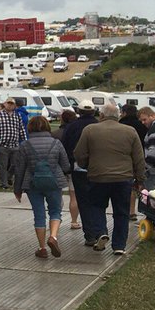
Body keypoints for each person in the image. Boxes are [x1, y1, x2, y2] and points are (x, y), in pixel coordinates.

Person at [73, 100, 145, 255]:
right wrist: (140, 179)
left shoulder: (90, 130)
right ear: (118, 116)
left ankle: (101, 232)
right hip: (123, 178)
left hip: (98, 177)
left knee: (96, 207)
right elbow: (139, 158)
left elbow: (79, 153)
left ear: (102, 115)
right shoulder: (130, 131)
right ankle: (119, 246)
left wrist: (87, 165)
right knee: (121, 212)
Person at [12, 115, 71, 258]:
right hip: (54, 182)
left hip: (32, 184)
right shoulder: (56, 143)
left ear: (30, 128)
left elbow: (19, 169)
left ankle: (42, 248)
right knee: (55, 211)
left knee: (39, 215)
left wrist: (17, 189)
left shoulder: (25, 145)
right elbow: (66, 165)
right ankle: (54, 237)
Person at [60, 100, 100, 246]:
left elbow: (64, 147)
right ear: (94, 111)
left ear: (79, 111)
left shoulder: (72, 127)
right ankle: (100, 230)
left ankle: (90, 235)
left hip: (79, 170)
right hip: (99, 170)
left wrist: (68, 165)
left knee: (83, 202)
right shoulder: (99, 126)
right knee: (98, 201)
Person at [0, 99, 26, 189]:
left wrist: (25, 141)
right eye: (8, 103)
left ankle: (8, 177)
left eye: (12, 104)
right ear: (5, 104)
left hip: (15, 145)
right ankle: (4, 183)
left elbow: (21, 129)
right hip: (2, 145)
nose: (10, 105)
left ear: (15, 105)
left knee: (15, 164)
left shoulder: (17, 115)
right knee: (2, 165)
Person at [119, 103, 148, 220]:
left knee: (124, 186)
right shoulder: (142, 125)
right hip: (139, 157)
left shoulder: (120, 125)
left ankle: (124, 210)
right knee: (135, 186)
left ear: (124, 113)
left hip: (123, 159)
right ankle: (132, 211)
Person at [57, 109, 82, 230]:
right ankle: (74, 221)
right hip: (73, 166)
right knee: (74, 196)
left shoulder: (56, 133)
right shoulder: (77, 132)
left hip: (59, 168)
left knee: (58, 195)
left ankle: (56, 219)